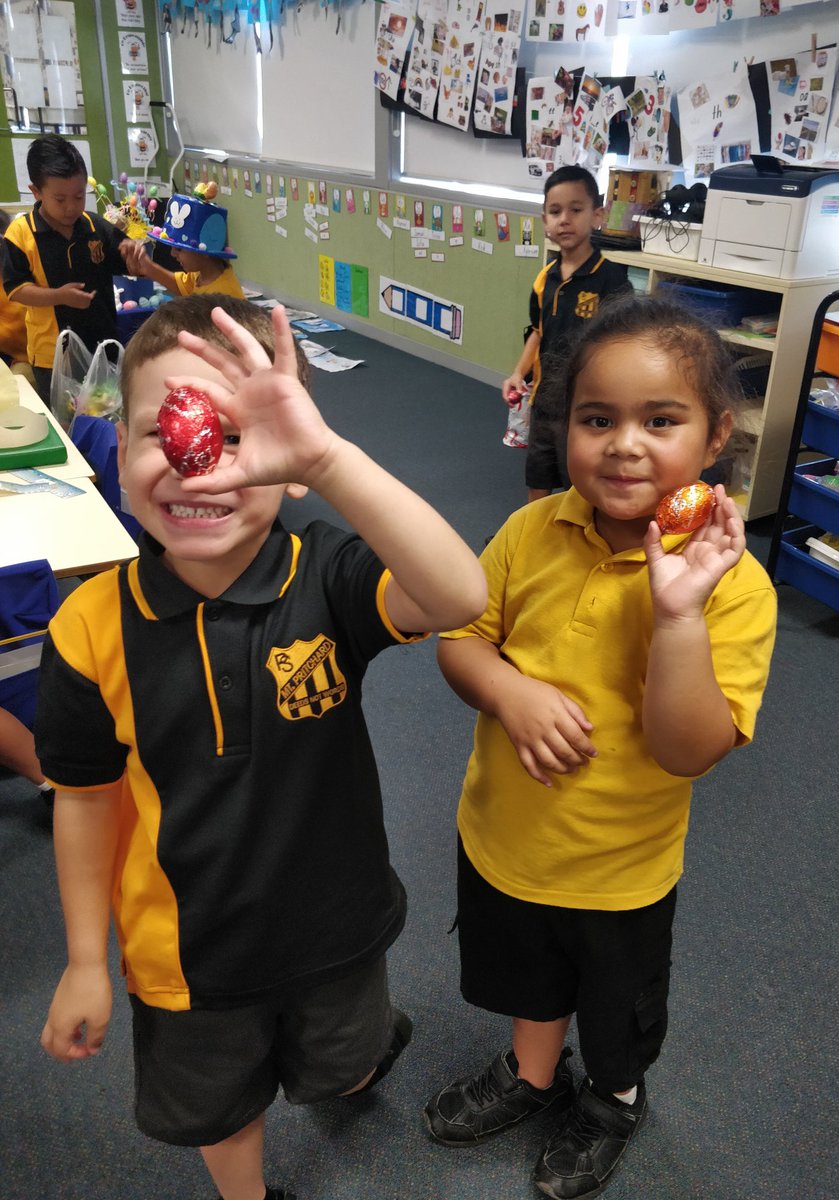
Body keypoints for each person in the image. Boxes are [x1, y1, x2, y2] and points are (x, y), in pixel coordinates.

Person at [35, 294, 487, 1200]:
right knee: (220, 1105)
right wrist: (88, 958)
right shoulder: (88, 627)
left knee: (343, 1065)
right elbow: (83, 800)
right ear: (118, 459)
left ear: (289, 470)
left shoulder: (324, 574)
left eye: (236, 438)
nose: (196, 463)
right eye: (159, 433)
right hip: (187, 954)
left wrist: (327, 458)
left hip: (338, 928)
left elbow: (457, 595)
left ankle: (355, 1069)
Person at [425, 291, 777, 1199]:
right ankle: (534, 1075)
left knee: (614, 1015)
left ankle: (614, 1098)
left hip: (620, 872)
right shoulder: (528, 531)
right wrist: (510, 690)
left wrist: (677, 614)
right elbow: (461, 642)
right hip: (504, 839)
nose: (624, 443)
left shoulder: (732, 588)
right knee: (528, 982)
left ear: (714, 436)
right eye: (597, 418)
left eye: (660, 420)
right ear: (566, 426)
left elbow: (689, 748)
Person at [502, 165, 631, 503]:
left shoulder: (612, 280)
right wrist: (518, 373)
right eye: (555, 212)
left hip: (588, 405)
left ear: (597, 215)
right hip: (545, 401)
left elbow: (623, 344)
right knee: (539, 475)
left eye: (576, 210)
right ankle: (534, 537)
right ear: (544, 220)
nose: (564, 220)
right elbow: (537, 332)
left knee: (584, 481)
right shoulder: (545, 278)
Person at [0, 134, 144, 404]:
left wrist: (136, 252)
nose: (71, 207)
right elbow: (16, 289)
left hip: (103, 348)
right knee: (67, 423)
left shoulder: (94, 226)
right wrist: (59, 296)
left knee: (107, 416)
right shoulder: (20, 233)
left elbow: (129, 261)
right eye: (60, 199)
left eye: (79, 197)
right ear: (36, 192)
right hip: (51, 355)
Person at [140, 187, 245, 299]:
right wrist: (148, 267)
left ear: (204, 252)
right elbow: (180, 285)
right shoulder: (201, 275)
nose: (172, 254)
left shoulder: (223, 294)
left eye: (179, 249)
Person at [0, 209, 32, 379]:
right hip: (12, 356)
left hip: (29, 358)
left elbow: (18, 328)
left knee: (18, 386)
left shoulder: (16, 272)